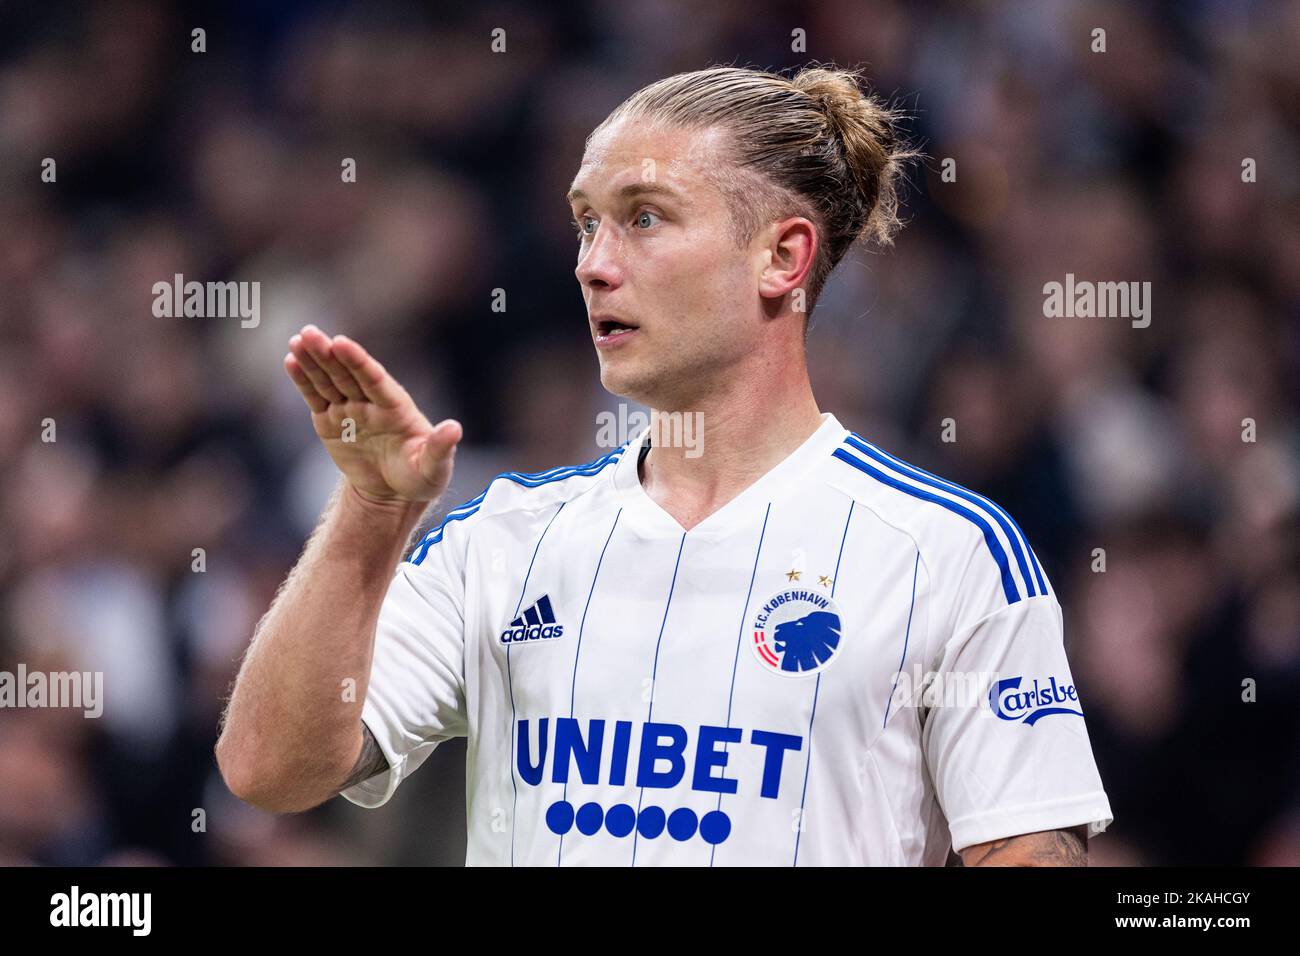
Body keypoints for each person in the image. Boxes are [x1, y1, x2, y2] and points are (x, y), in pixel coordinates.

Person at [216, 64, 1112, 866]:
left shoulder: (946, 553)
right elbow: (268, 768)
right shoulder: (500, 538)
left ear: (782, 256)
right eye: (585, 225)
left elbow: (1026, 848)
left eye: (643, 218)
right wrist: (372, 512)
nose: (594, 266)